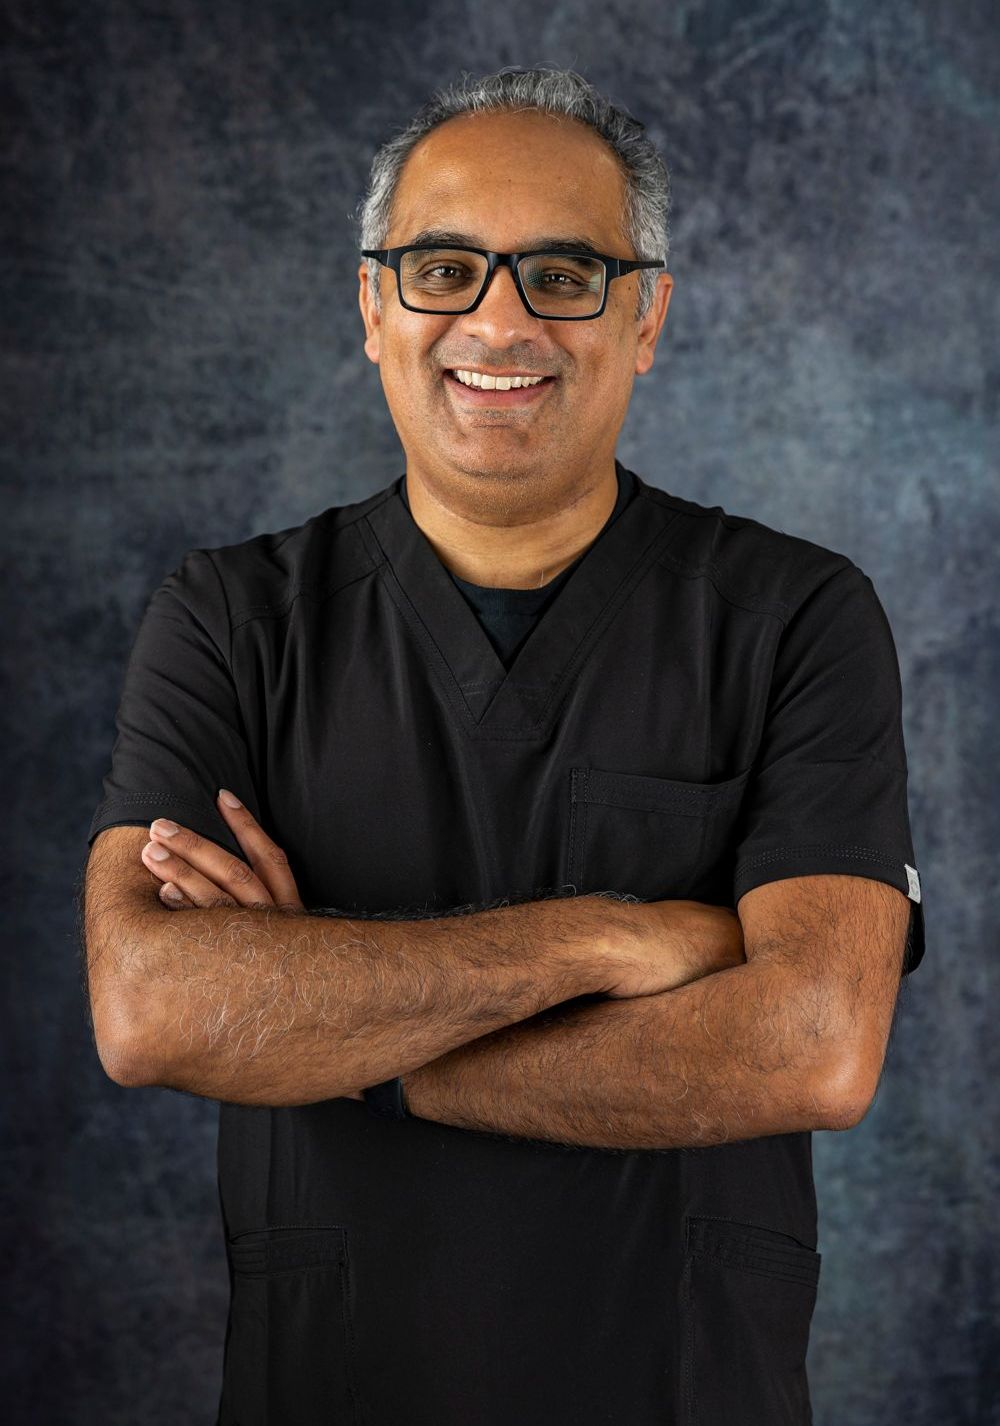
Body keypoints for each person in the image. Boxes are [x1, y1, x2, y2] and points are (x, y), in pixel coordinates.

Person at [81, 66, 925, 1426]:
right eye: (442, 266)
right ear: (372, 304)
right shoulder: (235, 620)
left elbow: (816, 1041)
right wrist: (609, 939)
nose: (497, 317)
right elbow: (150, 1005)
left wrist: (342, 1036)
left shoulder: (794, 617)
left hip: (681, 1386)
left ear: (646, 314)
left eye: (564, 272)